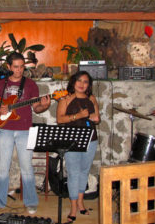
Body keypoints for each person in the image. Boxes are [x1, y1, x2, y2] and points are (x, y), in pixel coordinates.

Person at [0, 52, 51, 214]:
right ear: (9, 67)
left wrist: (45, 106)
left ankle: (31, 201)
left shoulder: (31, 84)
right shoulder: (0, 83)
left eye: (22, 67)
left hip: (25, 130)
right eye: (16, 67)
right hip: (4, 129)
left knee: (26, 167)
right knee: (2, 168)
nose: (19, 71)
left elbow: (36, 108)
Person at [56, 71, 100, 223]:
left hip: (91, 139)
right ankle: (73, 207)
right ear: (73, 82)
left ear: (89, 85)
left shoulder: (91, 98)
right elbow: (60, 120)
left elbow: (97, 118)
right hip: (71, 141)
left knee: (84, 172)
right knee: (73, 173)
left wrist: (91, 116)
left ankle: (81, 202)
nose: (82, 84)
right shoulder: (66, 99)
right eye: (79, 80)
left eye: (85, 81)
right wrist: (79, 116)